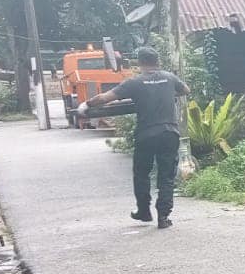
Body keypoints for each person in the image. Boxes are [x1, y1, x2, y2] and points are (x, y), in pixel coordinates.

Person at [81, 47, 190, 229]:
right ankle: (163, 216)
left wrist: (86, 105)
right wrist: (169, 93)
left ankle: (144, 211)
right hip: (169, 133)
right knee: (166, 175)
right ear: (158, 61)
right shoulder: (170, 78)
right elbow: (186, 89)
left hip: (146, 134)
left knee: (141, 174)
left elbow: (105, 98)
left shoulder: (134, 83)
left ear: (139, 62)